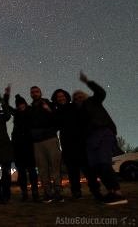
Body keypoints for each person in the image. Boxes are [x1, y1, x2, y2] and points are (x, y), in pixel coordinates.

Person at [73, 71, 127, 205]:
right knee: (96, 166)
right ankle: (111, 192)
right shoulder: (78, 113)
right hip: (90, 139)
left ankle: (118, 193)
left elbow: (101, 92)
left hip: (103, 132)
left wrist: (87, 82)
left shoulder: (94, 101)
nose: (78, 99)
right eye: (76, 99)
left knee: (104, 163)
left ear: (85, 96)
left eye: (80, 97)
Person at [51, 88, 101, 202]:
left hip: (81, 142)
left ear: (66, 96)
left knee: (87, 169)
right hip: (67, 144)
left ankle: (95, 191)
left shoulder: (74, 107)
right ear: (55, 99)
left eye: (62, 96)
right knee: (72, 170)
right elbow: (56, 125)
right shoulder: (57, 112)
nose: (61, 98)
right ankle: (76, 192)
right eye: (58, 97)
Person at [29, 86, 63, 203]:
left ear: (41, 93)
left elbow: (58, 120)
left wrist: (48, 109)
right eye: (32, 92)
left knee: (55, 167)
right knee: (42, 170)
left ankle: (58, 192)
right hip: (37, 143)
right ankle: (47, 193)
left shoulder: (49, 104)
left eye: (36, 92)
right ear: (30, 95)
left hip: (50, 139)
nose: (35, 94)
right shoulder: (30, 109)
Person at [7, 93, 39, 202]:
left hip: (30, 145)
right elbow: (7, 107)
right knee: (22, 171)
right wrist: (7, 95)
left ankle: (35, 192)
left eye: (22, 104)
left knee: (32, 171)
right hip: (18, 147)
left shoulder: (30, 112)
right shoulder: (16, 114)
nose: (21, 106)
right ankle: (24, 193)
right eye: (19, 105)